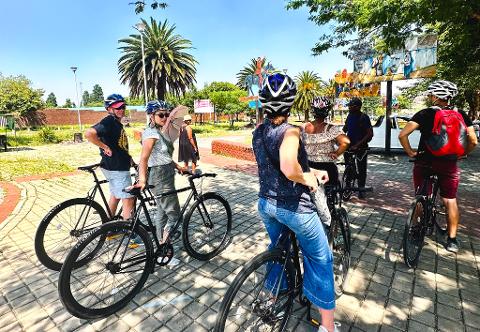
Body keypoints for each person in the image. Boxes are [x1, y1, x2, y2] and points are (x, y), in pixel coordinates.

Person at [252, 73, 337, 332]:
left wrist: (307, 171)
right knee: (321, 258)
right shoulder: (290, 131)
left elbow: (276, 165)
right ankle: (328, 327)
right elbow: (289, 167)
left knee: (277, 248)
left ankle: (272, 297)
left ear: (264, 104)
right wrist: (309, 178)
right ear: (290, 104)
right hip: (294, 208)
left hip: (266, 203)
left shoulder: (258, 131)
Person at [398, 80, 477, 253]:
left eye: (431, 94)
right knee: (449, 200)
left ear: (435, 96)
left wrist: (411, 152)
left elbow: (403, 134)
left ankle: (416, 230)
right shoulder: (461, 114)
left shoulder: (424, 113)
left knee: (421, 196)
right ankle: (452, 240)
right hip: (448, 164)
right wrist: (463, 154)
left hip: (424, 161)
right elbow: (473, 140)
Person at [134, 100, 185, 246]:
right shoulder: (151, 134)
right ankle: (164, 245)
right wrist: (142, 180)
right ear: (151, 116)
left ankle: (160, 246)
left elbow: (163, 157)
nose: (165, 118)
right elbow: (143, 159)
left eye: (167, 115)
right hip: (160, 176)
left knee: (162, 213)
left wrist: (178, 167)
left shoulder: (158, 132)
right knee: (175, 215)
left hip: (165, 173)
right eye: (161, 115)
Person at [85, 94, 135, 220]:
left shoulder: (117, 123)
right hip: (117, 167)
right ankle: (129, 230)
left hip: (112, 166)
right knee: (128, 198)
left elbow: (119, 146)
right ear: (109, 109)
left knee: (116, 195)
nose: (121, 110)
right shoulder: (109, 121)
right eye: (117, 108)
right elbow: (89, 133)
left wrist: (130, 160)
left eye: (123, 107)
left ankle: (108, 225)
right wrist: (104, 147)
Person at [303, 96, 350, 186]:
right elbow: (346, 142)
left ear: (313, 111)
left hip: (308, 165)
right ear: (327, 111)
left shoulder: (304, 127)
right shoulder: (332, 129)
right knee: (331, 190)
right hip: (327, 166)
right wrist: (336, 153)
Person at [342, 97, 373, 198]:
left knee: (361, 169)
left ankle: (361, 189)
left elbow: (369, 134)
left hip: (361, 148)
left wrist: (357, 145)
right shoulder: (350, 115)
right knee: (348, 167)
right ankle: (347, 187)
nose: (349, 107)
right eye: (349, 105)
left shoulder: (364, 117)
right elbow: (345, 129)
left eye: (351, 106)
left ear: (358, 107)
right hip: (349, 147)